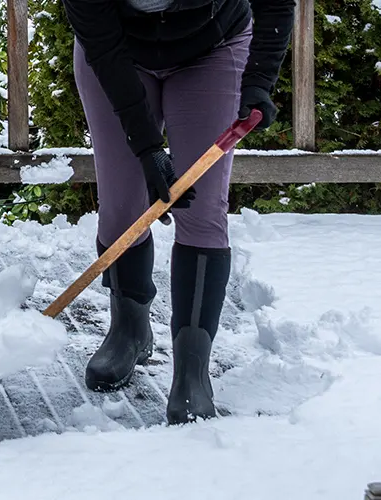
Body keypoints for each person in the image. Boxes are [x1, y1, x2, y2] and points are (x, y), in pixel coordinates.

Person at [59, 0, 294, 424]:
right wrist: (147, 147)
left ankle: (192, 368)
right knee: (122, 207)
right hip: (118, 54)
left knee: (203, 210)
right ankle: (129, 330)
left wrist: (258, 80)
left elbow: (275, 4)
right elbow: (101, 40)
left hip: (212, 48)